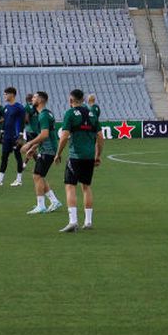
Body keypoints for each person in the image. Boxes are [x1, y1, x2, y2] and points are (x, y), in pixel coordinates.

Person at [54, 88, 103, 233]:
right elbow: (100, 137)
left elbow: (64, 136)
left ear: (71, 100)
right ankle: (88, 222)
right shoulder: (92, 114)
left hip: (76, 156)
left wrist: (58, 153)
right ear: (83, 100)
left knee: (70, 186)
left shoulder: (70, 114)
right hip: (89, 157)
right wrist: (98, 155)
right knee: (86, 187)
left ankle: (73, 221)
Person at [21, 91, 63, 215]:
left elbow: (44, 135)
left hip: (48, 150)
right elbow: (45, 135)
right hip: (47, 149)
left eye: (34, 97)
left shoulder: (43, 115)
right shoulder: (46, 114)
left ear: (40, 100)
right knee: (40, 176)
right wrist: (34, 148)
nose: (32, 100)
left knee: (37, 176)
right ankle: (54, 201)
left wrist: (29, 144)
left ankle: (41, 205)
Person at [0, 86, 25, 187]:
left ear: (12, 95)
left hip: (16, 137)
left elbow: (22, 123)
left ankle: (19, 179)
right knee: (4, 157)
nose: (4, 96)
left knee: (18, 157)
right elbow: (5, 122)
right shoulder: (6, 108)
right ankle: (0, 180)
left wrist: (20, 136)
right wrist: (1, 133)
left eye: (6, 94)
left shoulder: (19, 107)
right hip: (7, 137)